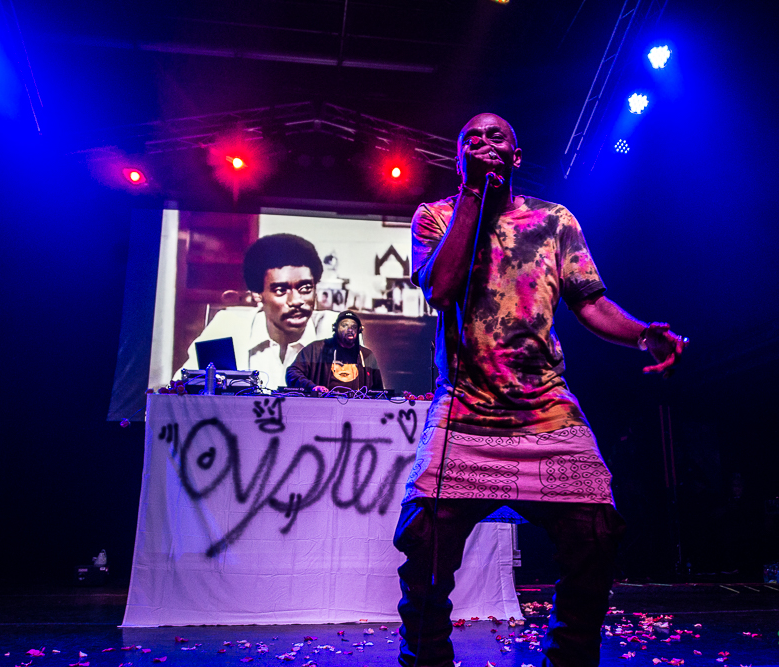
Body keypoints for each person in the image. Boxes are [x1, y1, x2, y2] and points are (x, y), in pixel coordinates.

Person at [394, 113, 688, 667]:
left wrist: (645, 335)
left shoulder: (555, 221)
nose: (483, 143)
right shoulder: (435, 216)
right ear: (460, 161)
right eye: (470, 141)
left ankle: (569, 658)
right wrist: (471, 200)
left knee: (596, 533)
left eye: (495, 136)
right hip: (465, 412)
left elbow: (591, 303)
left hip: (546, 411)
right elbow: (442, 286)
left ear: (517, 154)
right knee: (424, 546)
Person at [174, 234, 337, 390]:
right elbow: (182, 395)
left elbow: (355, 404)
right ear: (258, 295)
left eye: (306, 288)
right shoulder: (228, 329)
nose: (296, 301)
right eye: (280, 290)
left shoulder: (334, 330)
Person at [285, 310, 384, 393]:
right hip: (323, 407)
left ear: (359, 330)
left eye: (353, 327)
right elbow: (292, 373)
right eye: (344, 325)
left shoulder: (366, 355)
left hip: (356, 410)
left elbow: (378, 391)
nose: (350, 330)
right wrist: (312, 387)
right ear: (335, 328)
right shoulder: (316, 349)